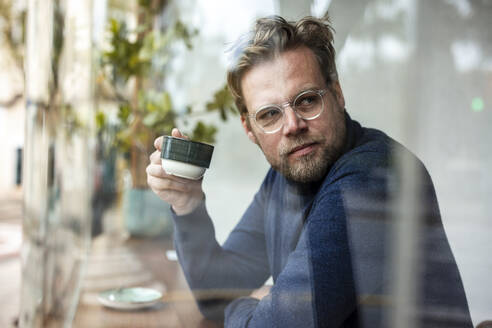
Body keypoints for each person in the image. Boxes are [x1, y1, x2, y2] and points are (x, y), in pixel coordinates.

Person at [146, 15, 472, 327]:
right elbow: (216, 294)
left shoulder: (374, 178)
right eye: (270, 115)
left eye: (306, 100)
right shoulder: (287, 171)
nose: (292, 126)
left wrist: (248, 306)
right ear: (249, 129)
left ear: (337, 93)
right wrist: (187, 205)